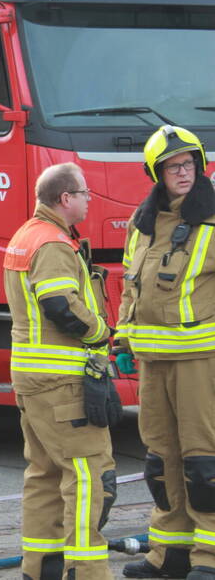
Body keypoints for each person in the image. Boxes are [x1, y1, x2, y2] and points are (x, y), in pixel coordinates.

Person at [3, 162, 120, 580]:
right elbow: (59, 304)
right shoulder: (53, 243)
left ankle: (41, 568)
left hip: (32, 378)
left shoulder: (24, 236)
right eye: (85, 193)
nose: (90, 199)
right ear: (65, 199)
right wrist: (101, 332)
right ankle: (86, 571)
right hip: (62, 381)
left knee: (44, 473)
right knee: (90, 475)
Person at [117, 126, 215, 580]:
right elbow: (129, 290)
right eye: (174, 166)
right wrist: (121, 340)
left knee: (204, 464)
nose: (184, 172)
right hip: (152, 362)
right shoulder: (143, 226)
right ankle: (168, 554)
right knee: (160, 461)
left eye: (190, 164)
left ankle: (209, 559)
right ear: (156, 173)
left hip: (201, 361)